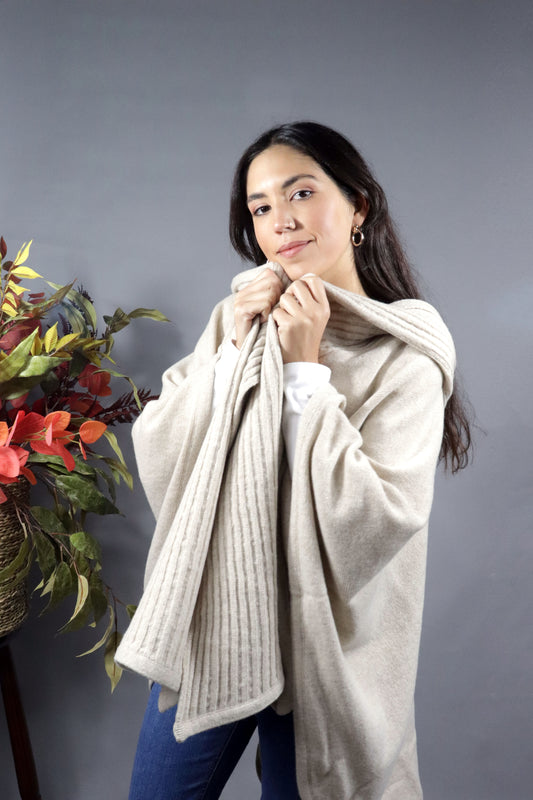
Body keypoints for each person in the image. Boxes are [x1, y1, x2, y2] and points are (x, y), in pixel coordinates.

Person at [115, 121, 472, 800]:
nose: (281, 221)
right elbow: (164, 448)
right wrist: (232, 353)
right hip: (221, 614)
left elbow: (376, 519)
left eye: (300, 192)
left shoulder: (405, 358)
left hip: (324, 647)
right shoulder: (240, 316)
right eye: (260, 207)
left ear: (357, 204)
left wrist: (305, 370)